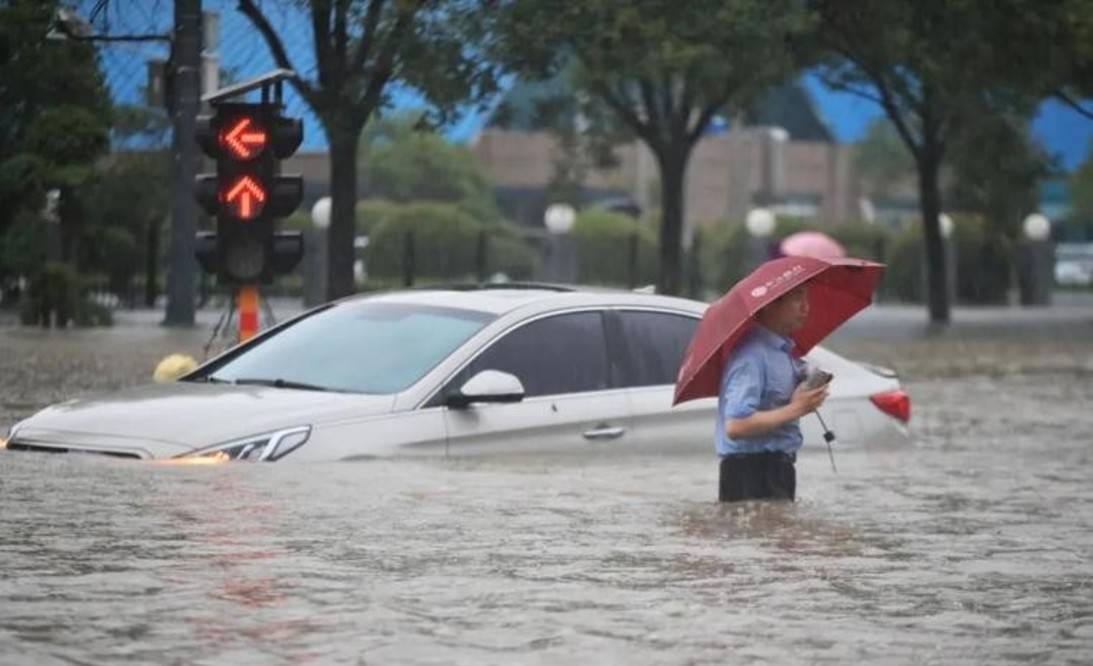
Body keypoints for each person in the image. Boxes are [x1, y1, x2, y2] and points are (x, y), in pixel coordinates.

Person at [716, 283, 829, 502]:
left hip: (779, 468)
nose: (806, 307)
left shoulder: (784, 352)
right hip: (750, 472)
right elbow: (736, 426)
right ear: (769, 305)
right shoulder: (751, 357)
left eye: (806, 298)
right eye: (797, 298)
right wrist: (796, 408)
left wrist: (807, 389)